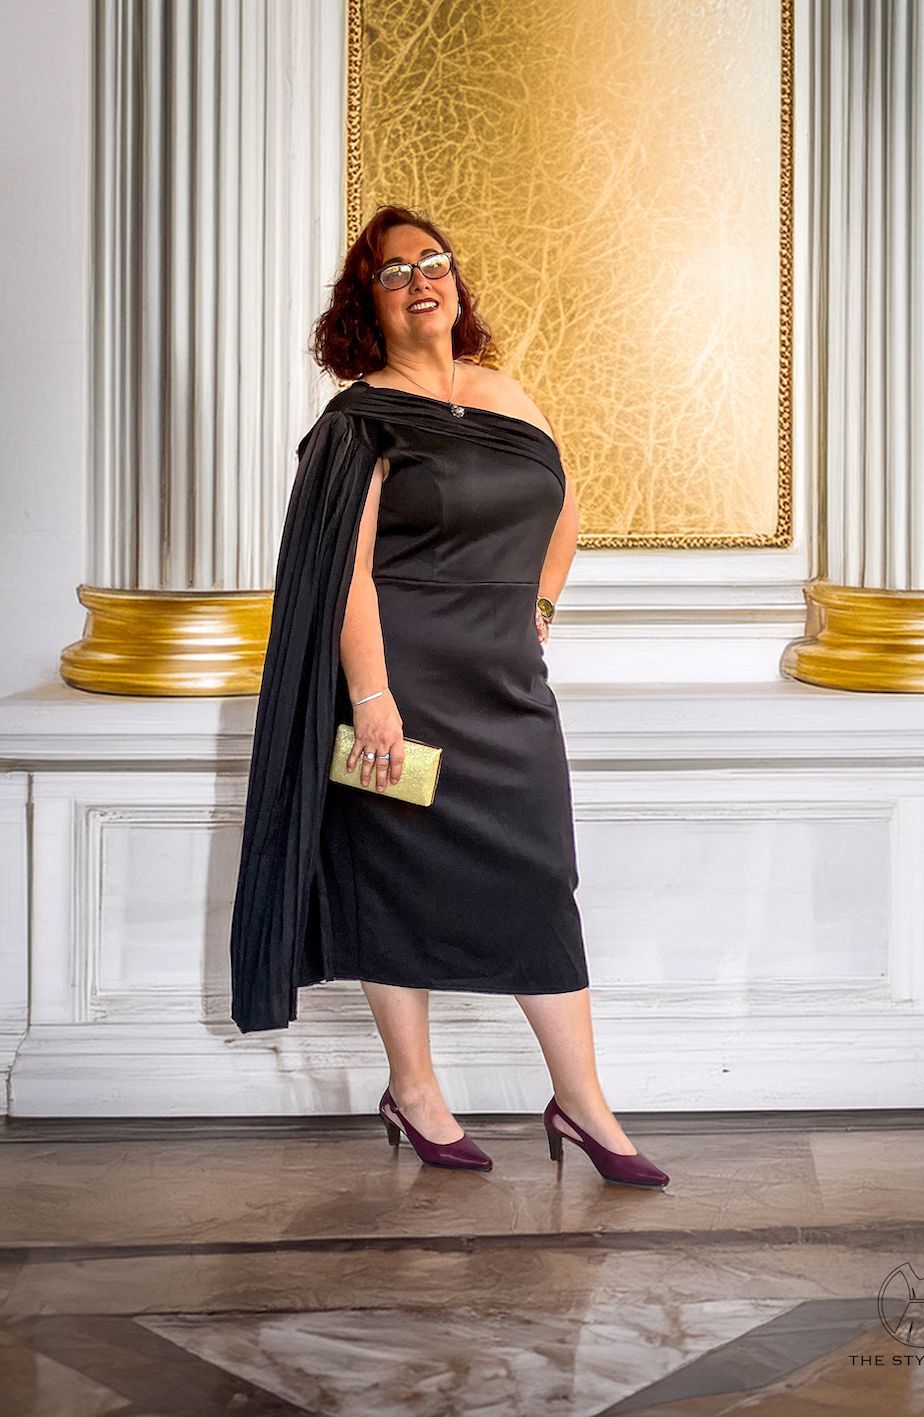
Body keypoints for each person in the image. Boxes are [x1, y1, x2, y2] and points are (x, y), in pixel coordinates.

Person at [230, 203, 668, 1189]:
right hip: (401, 684)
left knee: (540, 878)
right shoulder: (358, 421)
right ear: (367, 303)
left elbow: (563, 506)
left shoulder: (507, 394)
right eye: (396, 271)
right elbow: (343, 573)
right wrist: (371, 697)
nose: (422, 279)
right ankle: (416, 1089)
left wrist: (541, 609)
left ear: (457, 285)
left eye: (435, 262)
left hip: (504, 683)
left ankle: (579, 1099)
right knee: (399, 881)